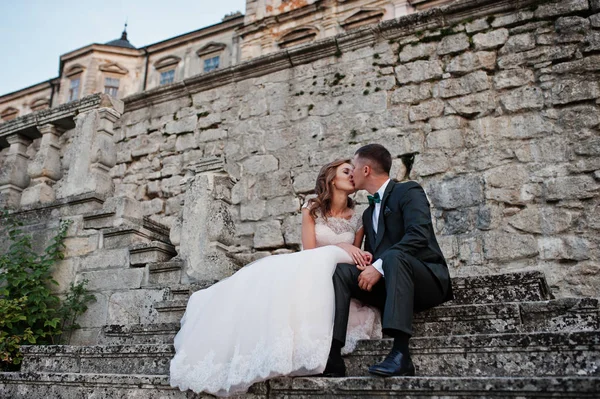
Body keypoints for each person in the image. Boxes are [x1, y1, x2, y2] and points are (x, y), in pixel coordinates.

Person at [170, 159, 381, 397]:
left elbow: (355, 258)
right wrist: (342, 245)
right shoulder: (311, 207)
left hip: (338, 280)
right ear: (331, 177)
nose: (353, 174)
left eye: (353, 171)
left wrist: (357, 252)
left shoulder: (359, 217)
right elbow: (310, 252)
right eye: (346, 171)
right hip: (312, 271)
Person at [324, 144, 454, 378]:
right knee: (342, 272)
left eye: (352, 167)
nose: (350, 172)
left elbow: (418, 235)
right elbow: (374, 255)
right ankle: (333, 355)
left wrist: (379, 265)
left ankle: (401, 354)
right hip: (391, 284)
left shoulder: (408, 191)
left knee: (394, 256)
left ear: (365, 170)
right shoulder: (366, 213)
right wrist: (366, 261)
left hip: (425, 281)